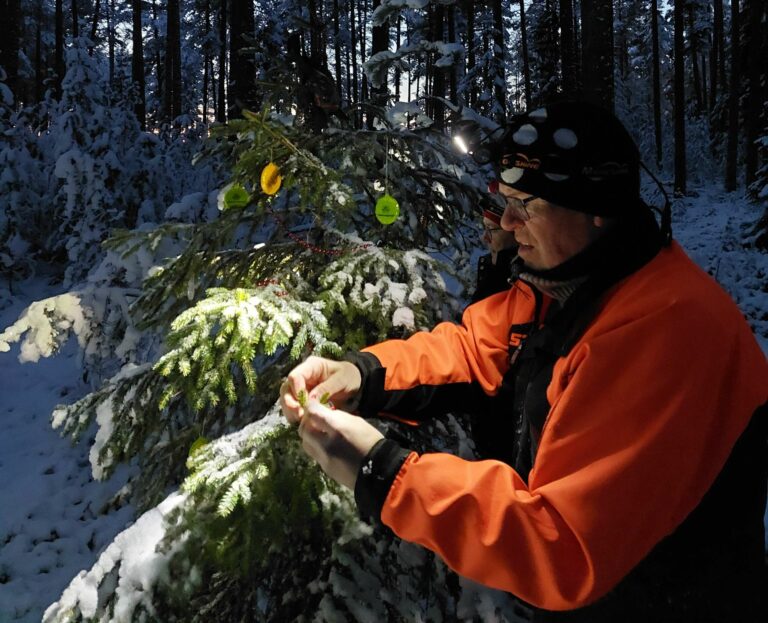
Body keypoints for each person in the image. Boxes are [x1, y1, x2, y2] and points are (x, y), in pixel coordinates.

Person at [280, 101, 768, 622]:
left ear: (597, 207)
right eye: (504, 202)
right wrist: (362, 374)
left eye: (526, 206)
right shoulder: (564, 282)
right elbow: (470, 349)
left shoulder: (666, 327)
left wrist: (383, 473)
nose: (508, 225)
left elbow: (562, 542)